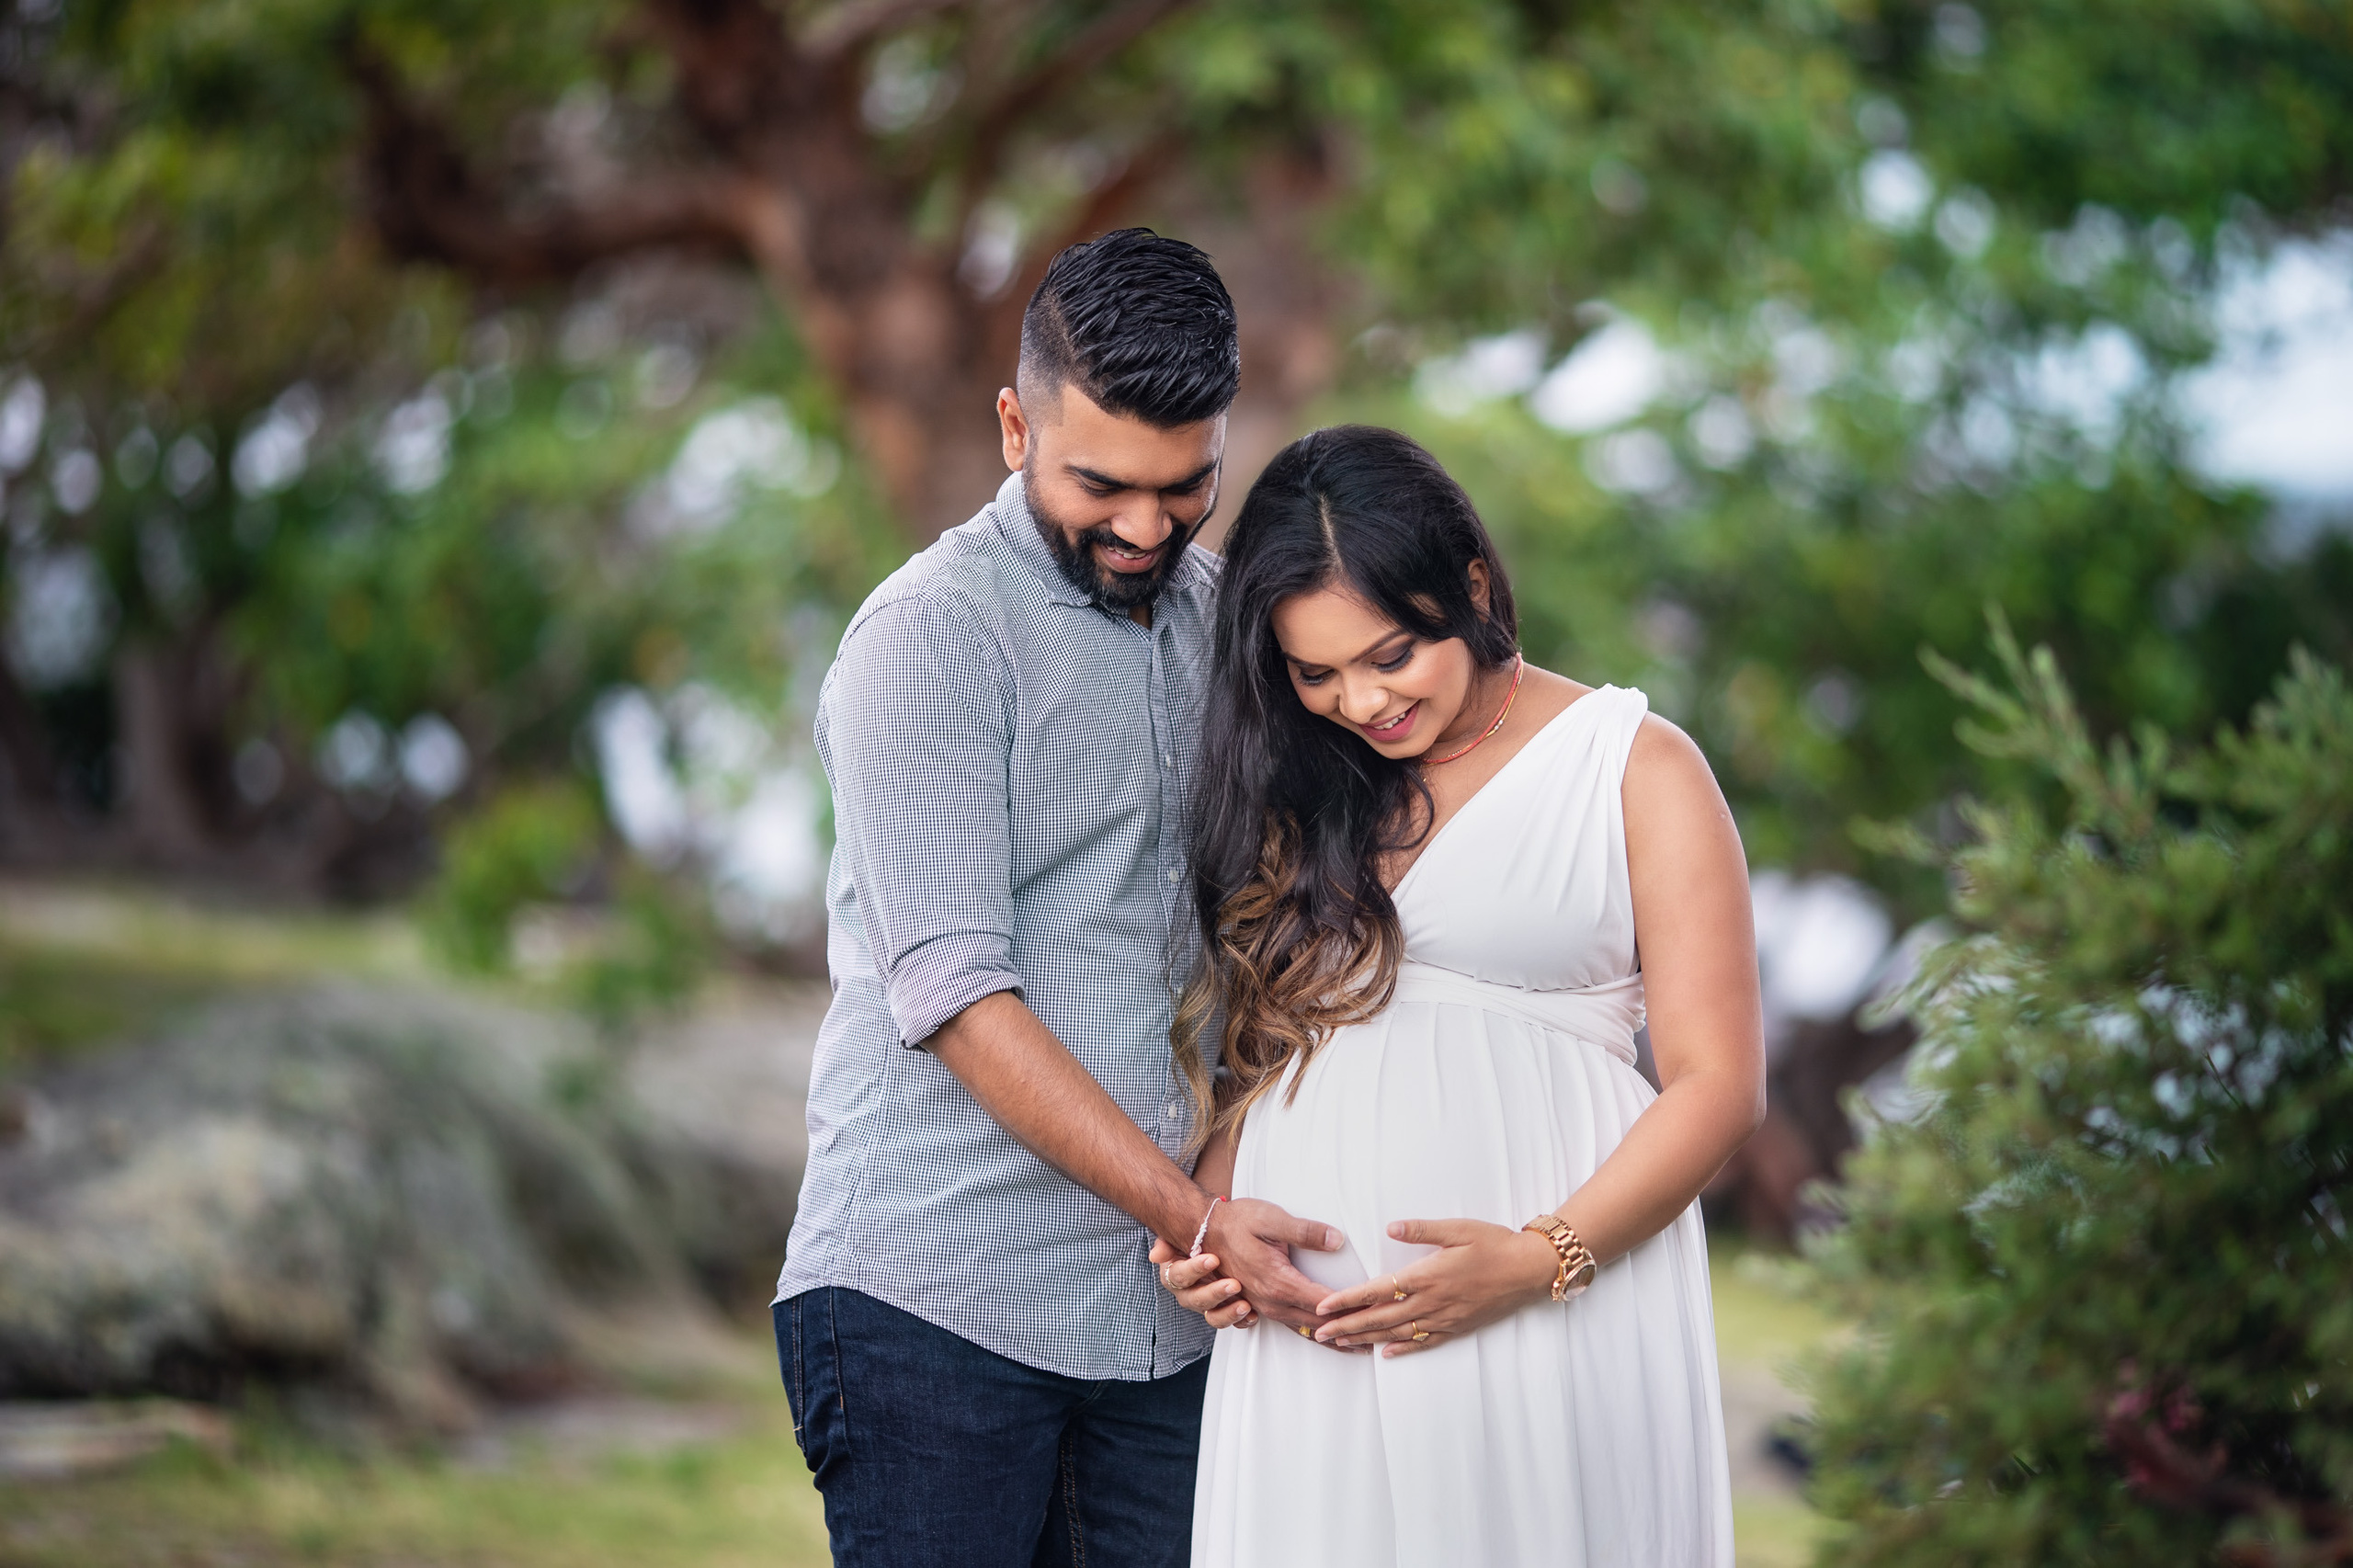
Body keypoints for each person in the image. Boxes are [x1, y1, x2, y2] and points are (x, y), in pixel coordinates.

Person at [773, 229, 1343, 1568]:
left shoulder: (1235, 633)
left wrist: (1218, 1188)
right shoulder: (927, 637)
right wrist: (1196, 1217)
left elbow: (1273, 936)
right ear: (1015, 426)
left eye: (1185, 486)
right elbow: (957, 994)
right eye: (1103, 485)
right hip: (932, 1302)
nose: (1145, 527)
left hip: (1164, 1328)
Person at [1153, 425, 1764, 1566]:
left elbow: (1719, 1082)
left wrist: (1542, 1257)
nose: (1360, 700)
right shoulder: (1302, 781)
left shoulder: (1634, 765)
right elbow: (1281, 1037)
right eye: (1315, 672)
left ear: (1471, 587)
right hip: (1311, 1341)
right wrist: (1208, 1223)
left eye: (1391, 654)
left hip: (1550, 1295)